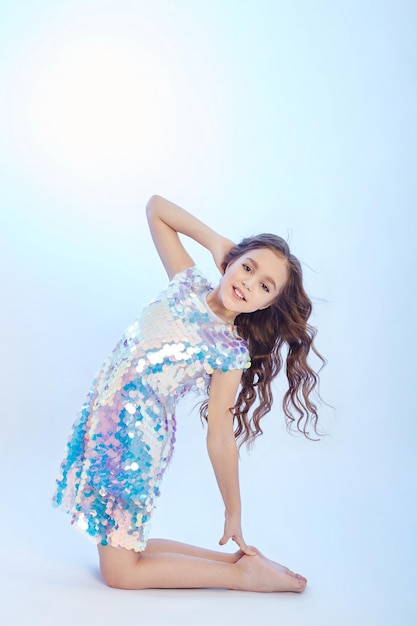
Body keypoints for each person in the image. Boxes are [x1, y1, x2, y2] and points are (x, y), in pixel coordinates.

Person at [52, 195, 324, 593]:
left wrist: (234, 511)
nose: (249, 283)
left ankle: (238, 577)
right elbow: (156, 209)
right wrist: (216, 241)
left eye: (265, 286)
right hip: (105, 424)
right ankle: (238, 562)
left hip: (134, 444)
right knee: (125, 547)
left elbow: (220, 435)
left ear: (269, 303)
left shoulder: (230, 352)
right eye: (247, 267)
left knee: (120, 572)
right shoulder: (186, 282)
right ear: (230, 261)